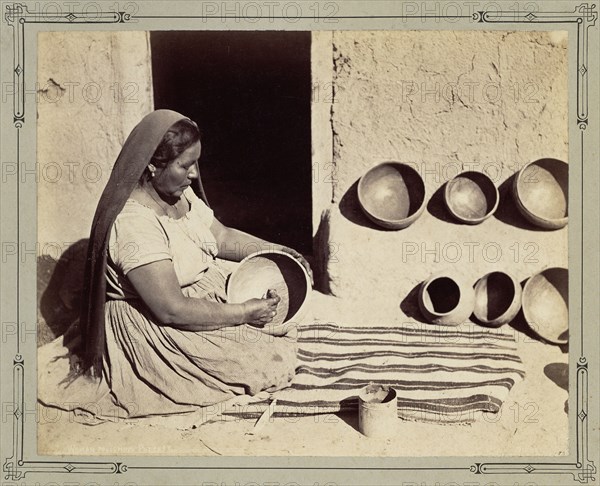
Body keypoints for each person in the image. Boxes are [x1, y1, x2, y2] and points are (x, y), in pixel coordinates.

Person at [39, 109, 312, 419]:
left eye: (195, 162)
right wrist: (244, 312)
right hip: (155, 321)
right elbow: (171, 309)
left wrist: (280, 251)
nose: (194, 174)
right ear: (154, 167)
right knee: (258, 363)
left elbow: (220, 237)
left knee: (271, 345)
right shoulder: (134, 225)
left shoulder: (177, 194)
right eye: (185, 166)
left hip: (195, 299)